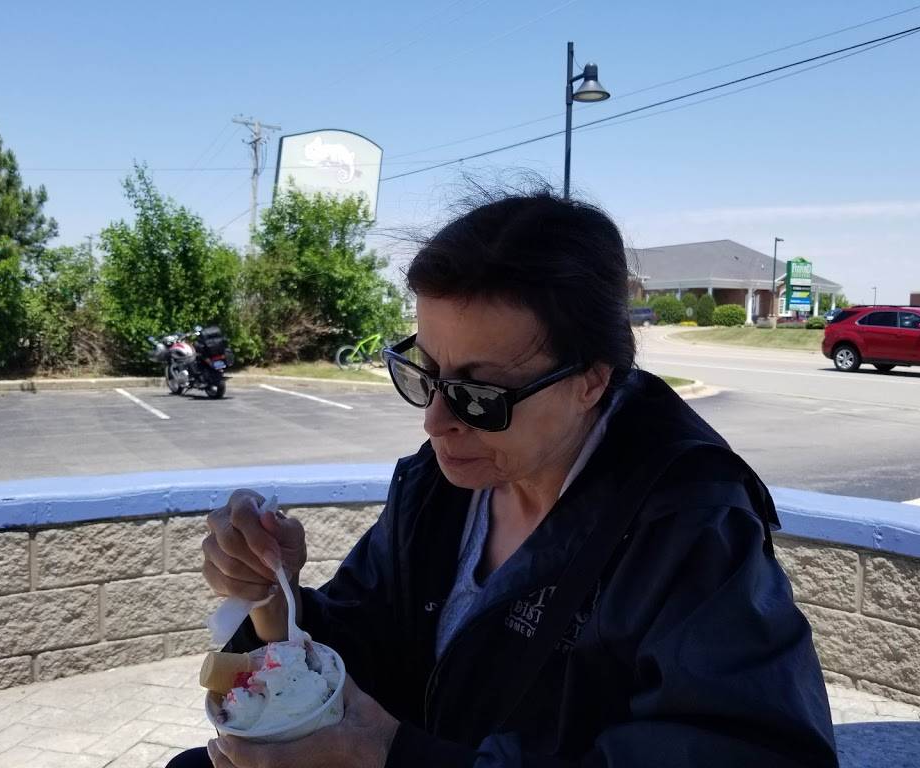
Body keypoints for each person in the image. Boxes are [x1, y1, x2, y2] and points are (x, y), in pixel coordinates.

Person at [172, 189, 838, 768]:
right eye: (425, 373)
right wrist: (275, 598)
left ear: (590, 381)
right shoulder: (442, 485)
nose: (435, 422)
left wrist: (394, 757)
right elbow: (369, 642)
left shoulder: (688, 526)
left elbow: (754, 751)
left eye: (479, 395)